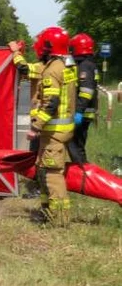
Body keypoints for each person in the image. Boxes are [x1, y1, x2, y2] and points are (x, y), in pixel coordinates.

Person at [27, 26, 77, 226]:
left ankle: (59, 219)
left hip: (54, 132)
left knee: (53, 174)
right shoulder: (65, 66)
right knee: (44, 170)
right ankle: (47, 211)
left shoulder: (53, 70)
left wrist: (36, 127)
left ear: (48, 46)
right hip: (61, 130)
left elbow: (51, 103)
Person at [8, 36, 45, 154]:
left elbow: (23, 68)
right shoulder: (59, 66)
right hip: (49, 119)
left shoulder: (43, 67)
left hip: (41, 119)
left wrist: (16, 52)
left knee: (37, 154)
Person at [68, 33, 99, 164]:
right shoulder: (89, 64)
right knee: (76, 146)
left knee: (76, 147)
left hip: (83, 112)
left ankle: (83, 175)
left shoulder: (85, 66)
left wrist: (79, 111)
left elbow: (86, 91)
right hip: (86, 111)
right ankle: (81, 173)